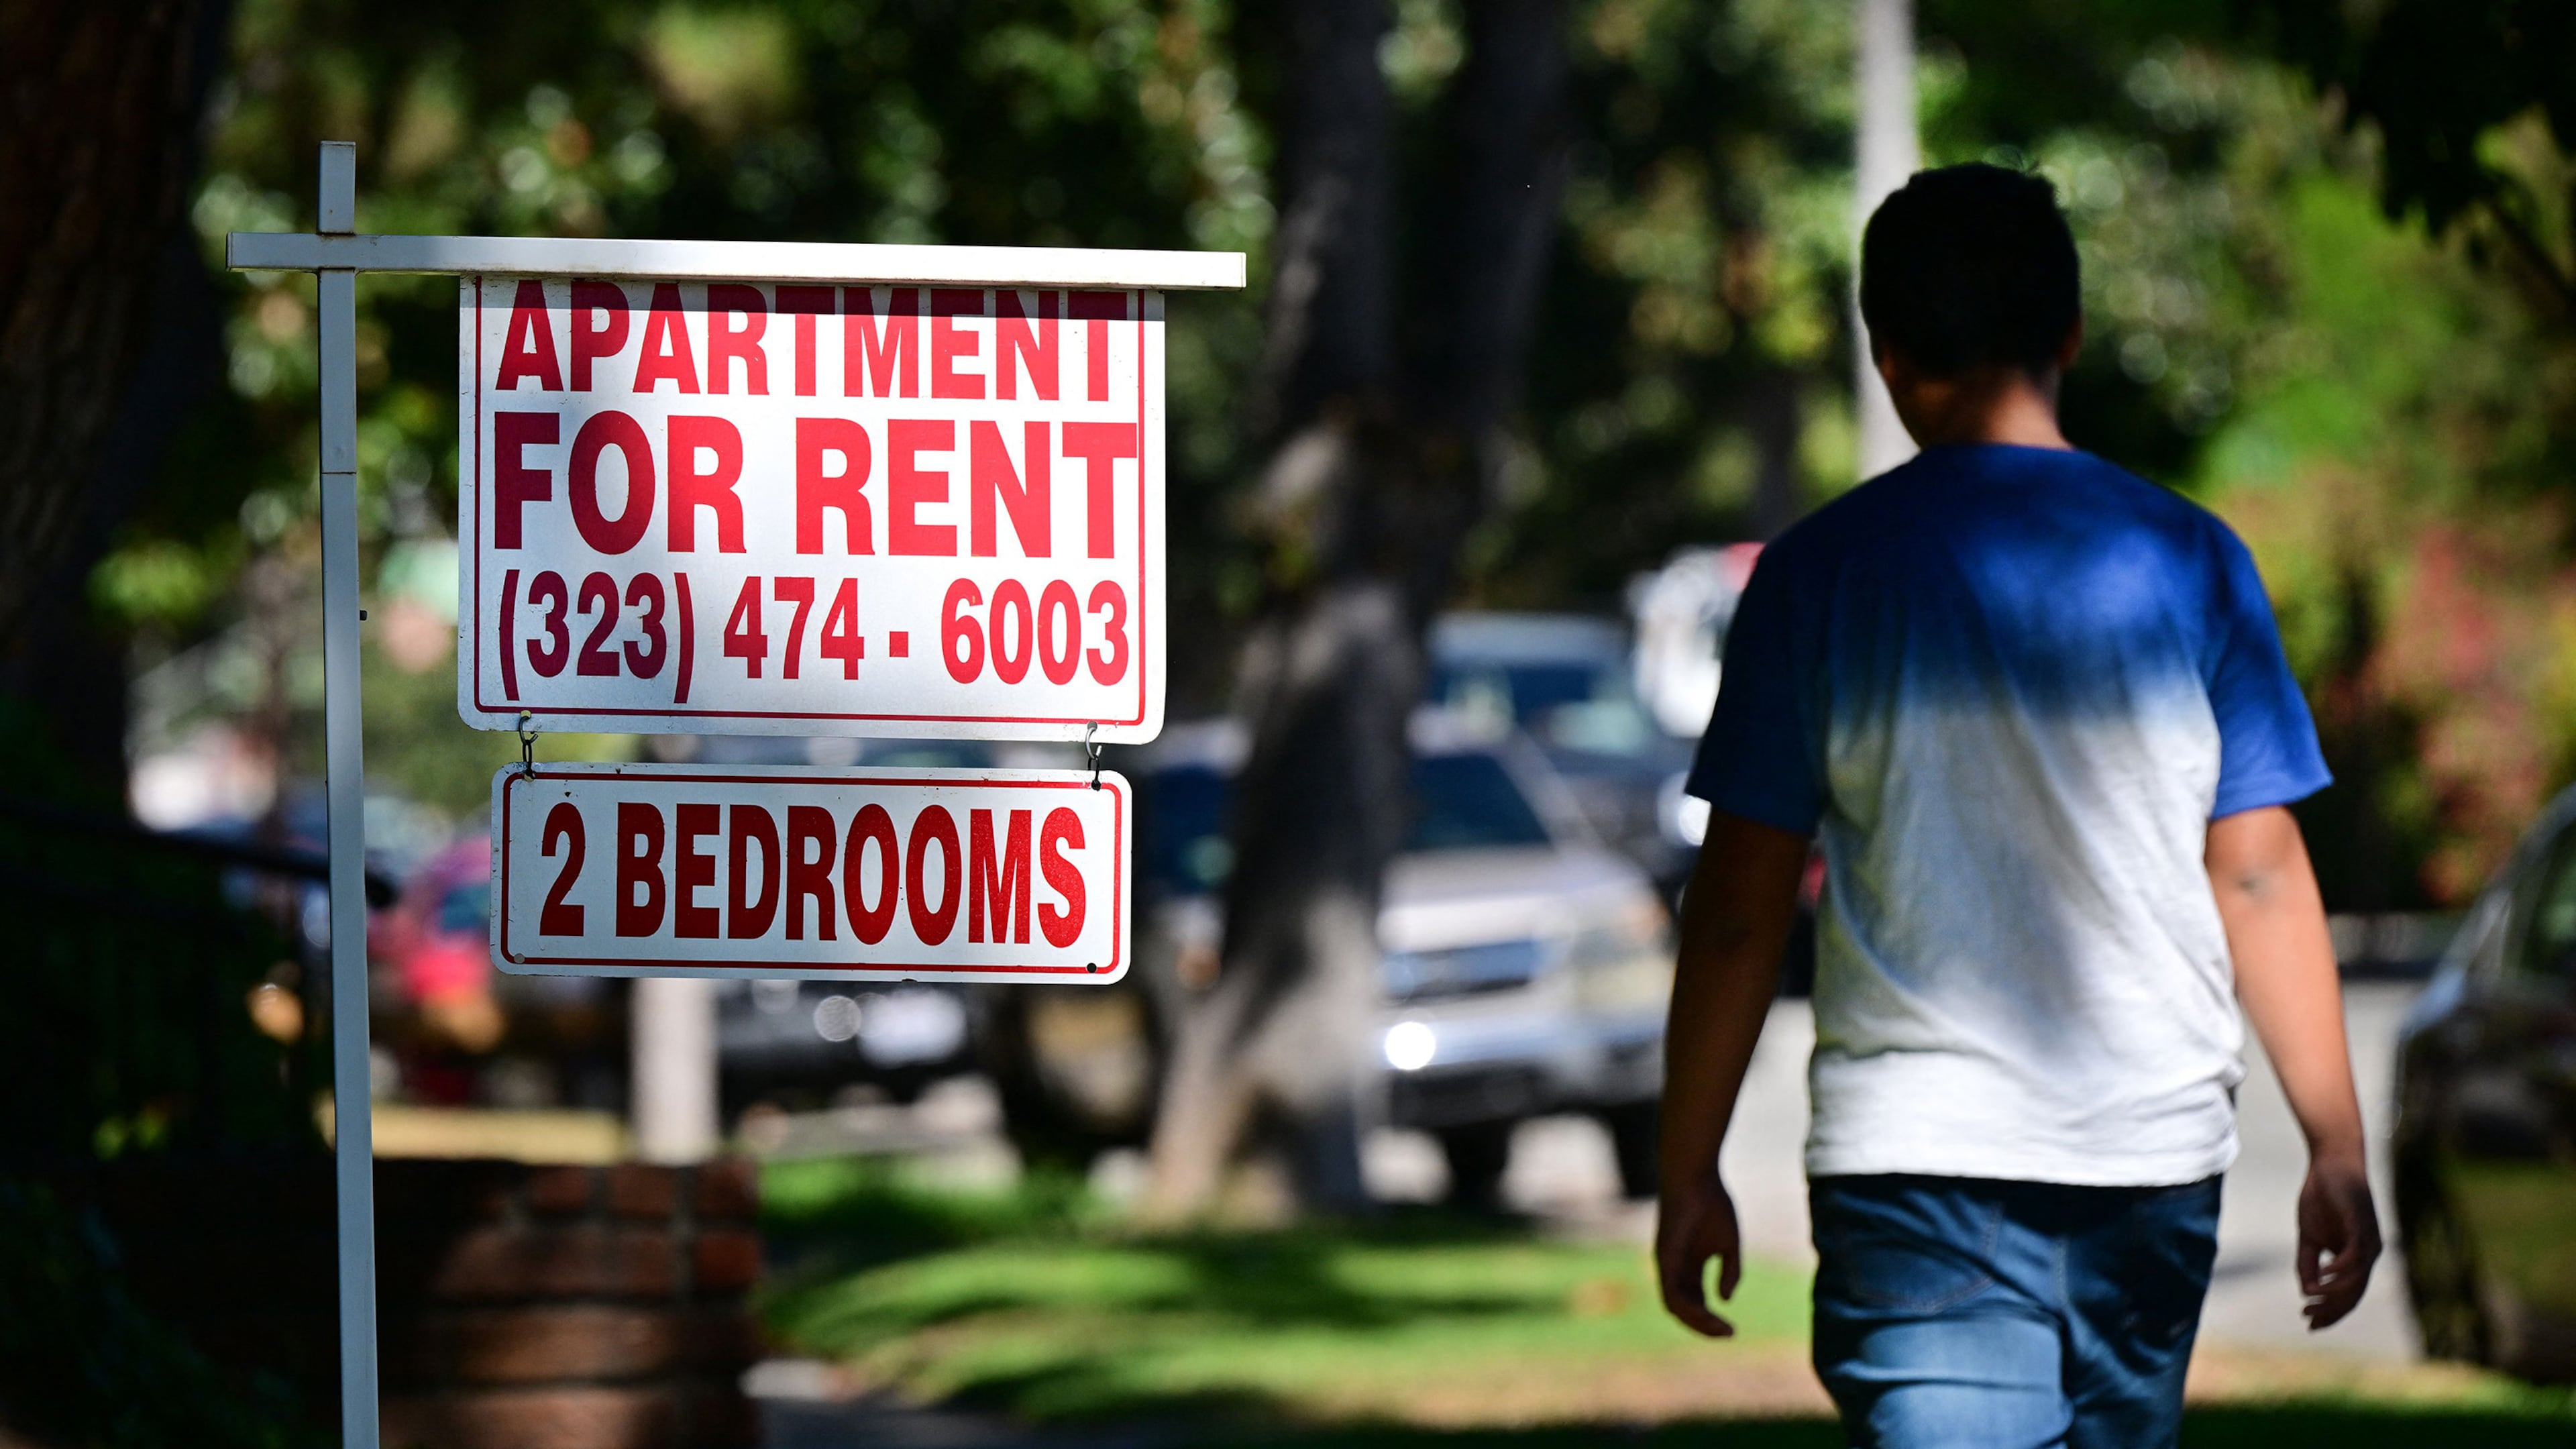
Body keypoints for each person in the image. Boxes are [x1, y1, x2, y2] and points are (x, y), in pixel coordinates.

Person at [1654, 163, 2379, 1448]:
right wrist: (2333, 1142)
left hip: (1917, 1167)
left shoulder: (1820, 577)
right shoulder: (2193, 560)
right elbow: (2259, 870)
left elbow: (1737, 909)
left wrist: (1689, 1161)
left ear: (1885, 355)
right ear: (2073, 335)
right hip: (2151, 1170)